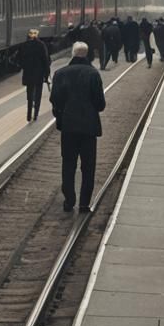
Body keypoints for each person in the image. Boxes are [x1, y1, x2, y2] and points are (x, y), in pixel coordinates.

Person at [50, 40, 106, 213]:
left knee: (68, 164)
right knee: (88, 167)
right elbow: (100, 104)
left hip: (68, 127)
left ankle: (69, 200)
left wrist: (61, 115)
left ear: (73, 54)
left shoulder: (60, 74)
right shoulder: (93, 74)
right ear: (87, 54)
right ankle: (84, 203)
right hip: (89, 129)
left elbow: (55, 101)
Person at [18, 28, 51, 122]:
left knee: (29, 94)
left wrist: (24, 66)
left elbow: (19, 59)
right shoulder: (41, 45)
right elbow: (45, 60)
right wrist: (47, 74)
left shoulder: (24, 45)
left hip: (28, 74)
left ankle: (28, 115)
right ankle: (35, 115)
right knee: (38, 95)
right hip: (39, 74)